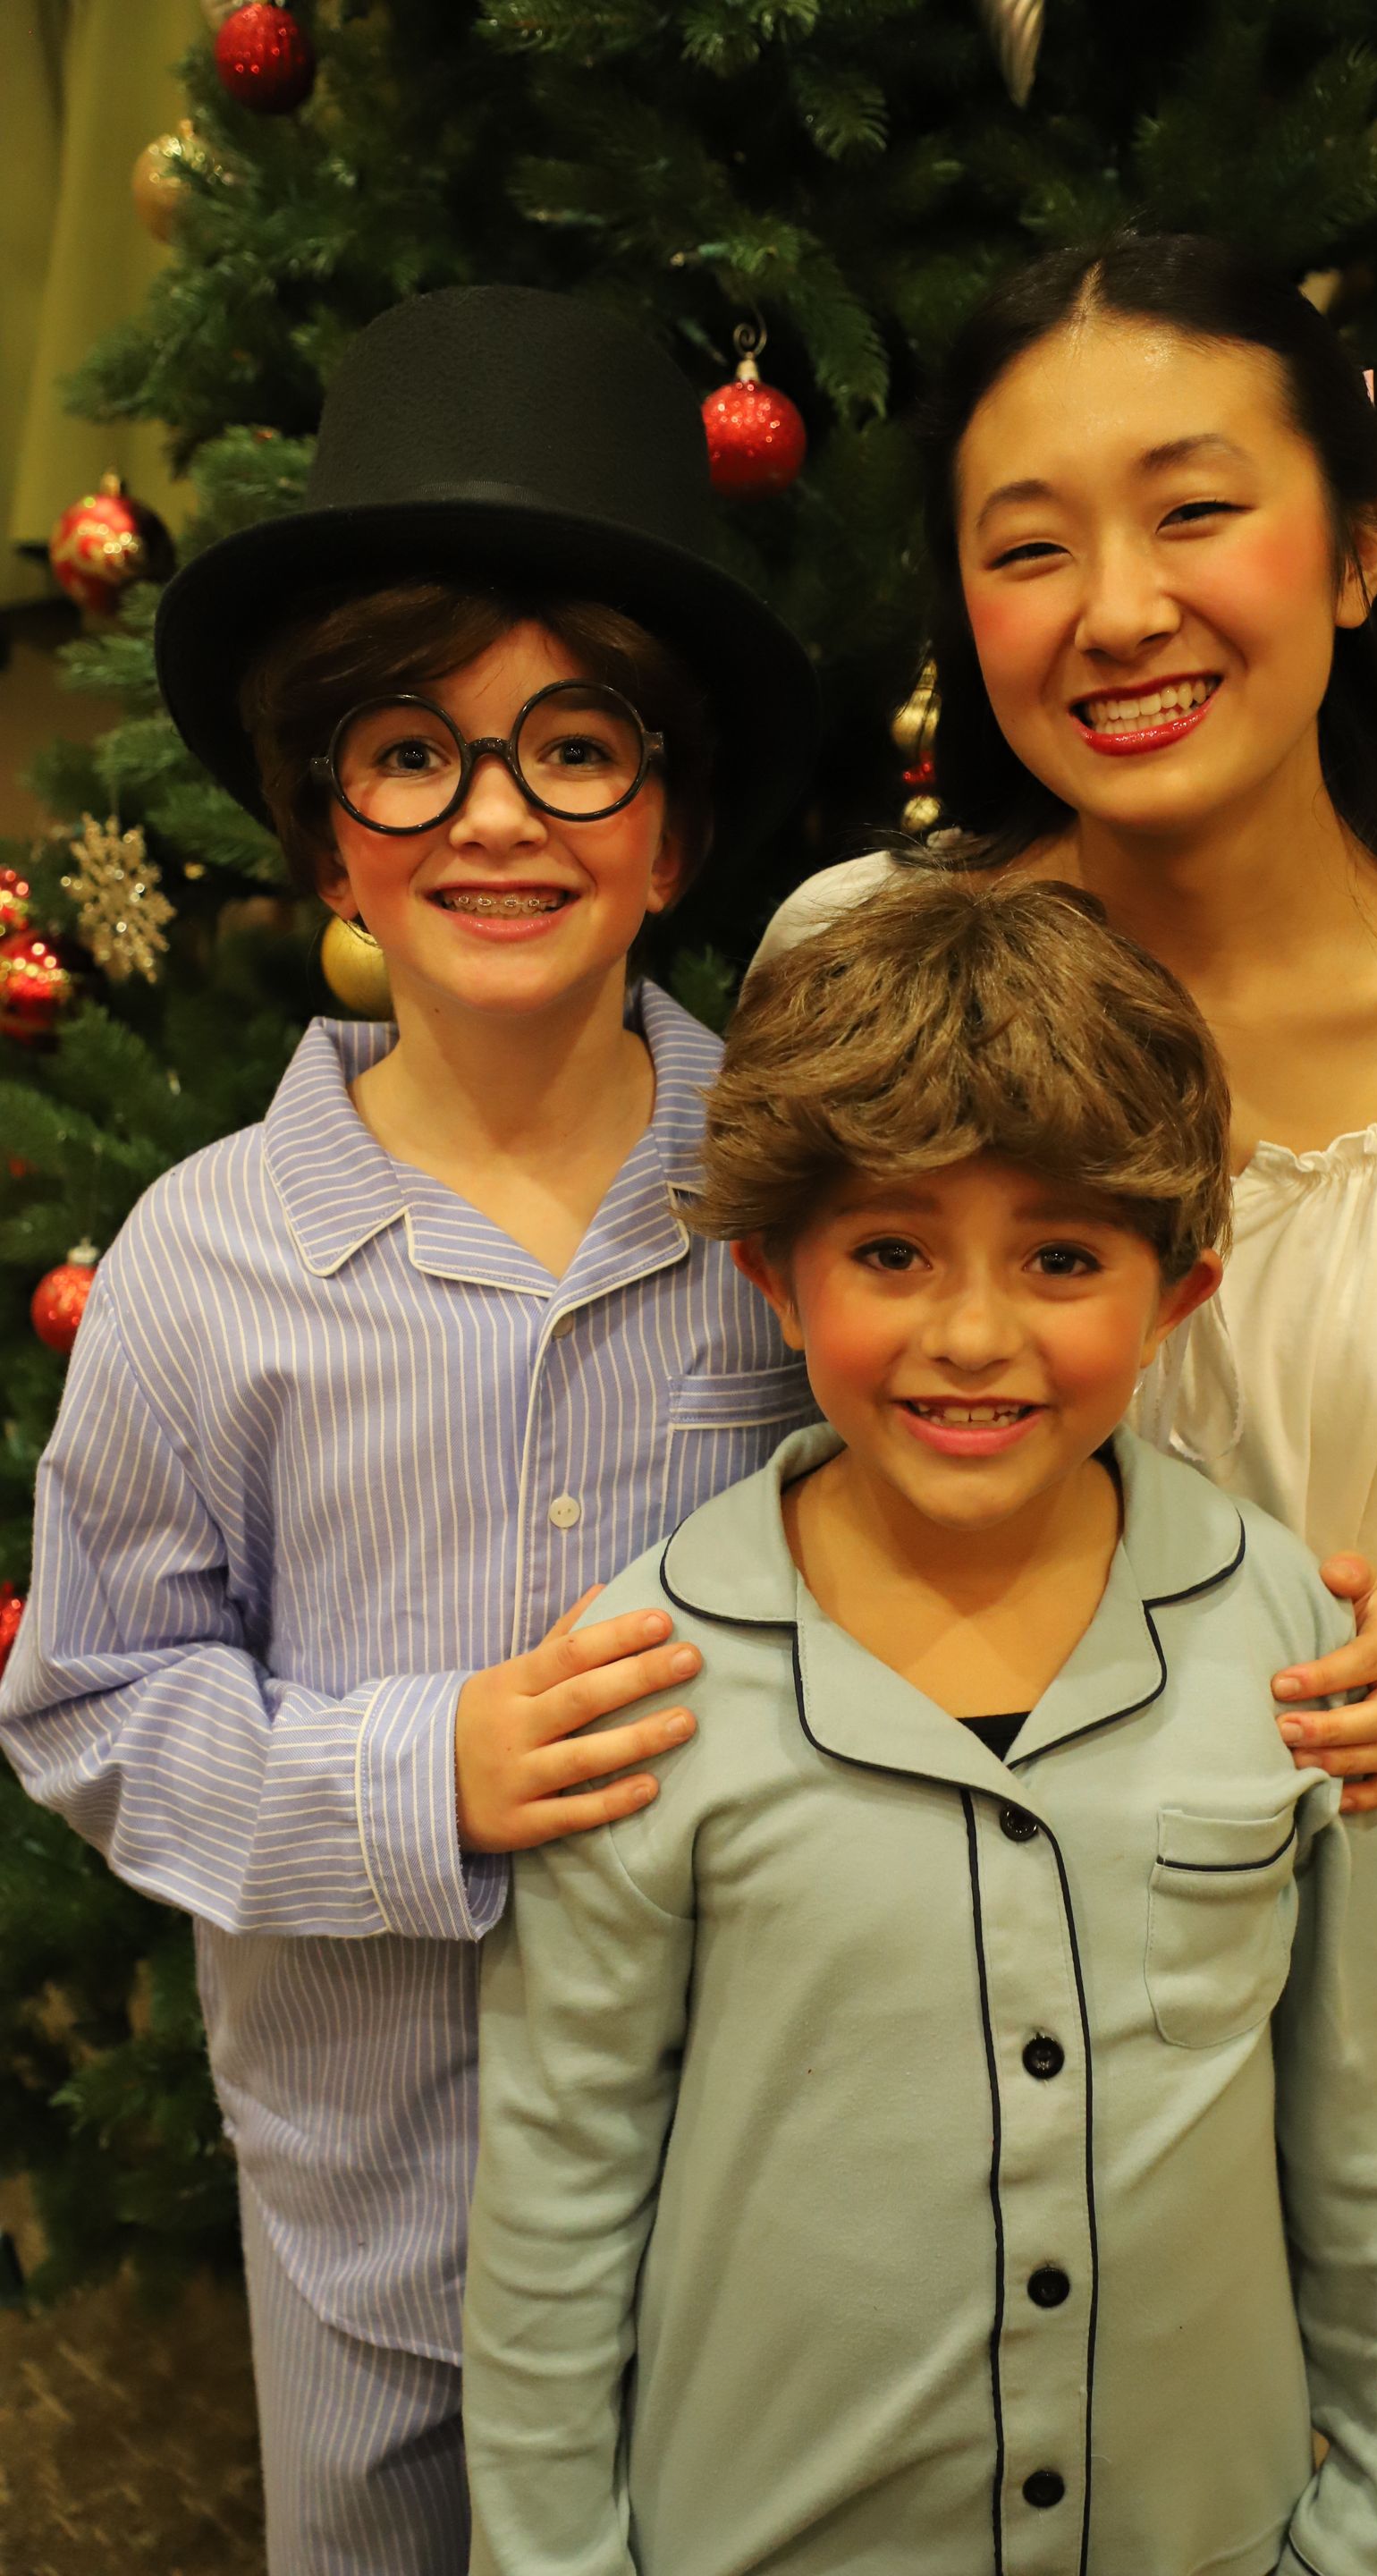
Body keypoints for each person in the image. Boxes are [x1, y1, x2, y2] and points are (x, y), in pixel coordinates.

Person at [754, 231, 1377, 2572]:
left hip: (1332, 1879)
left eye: (1195, 510)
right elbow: (762, 1445)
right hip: (905, 1865)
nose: (1115, 607)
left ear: (1358, 544)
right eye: (1027, 542)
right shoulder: (856, 968)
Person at [0, 285, 821, 2576]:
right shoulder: (203, 1261)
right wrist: (409, 1779)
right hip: (387, 2241)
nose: (494, 816)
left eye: (576, 749)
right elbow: (92, 1708)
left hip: (747, 2207)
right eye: (412, 751)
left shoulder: (804, 1211)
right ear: (328, 832)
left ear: (671, 835)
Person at [463, 871, 1377, 2576]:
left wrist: (1367, 2535)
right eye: (894, 1252)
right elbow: (559, 2202)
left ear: (1176, 1296)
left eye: (1061, 1256)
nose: (975, 1334)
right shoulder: (644, 1675)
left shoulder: (1291, 1636)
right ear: (780, 1283)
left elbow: (1372, 2154)